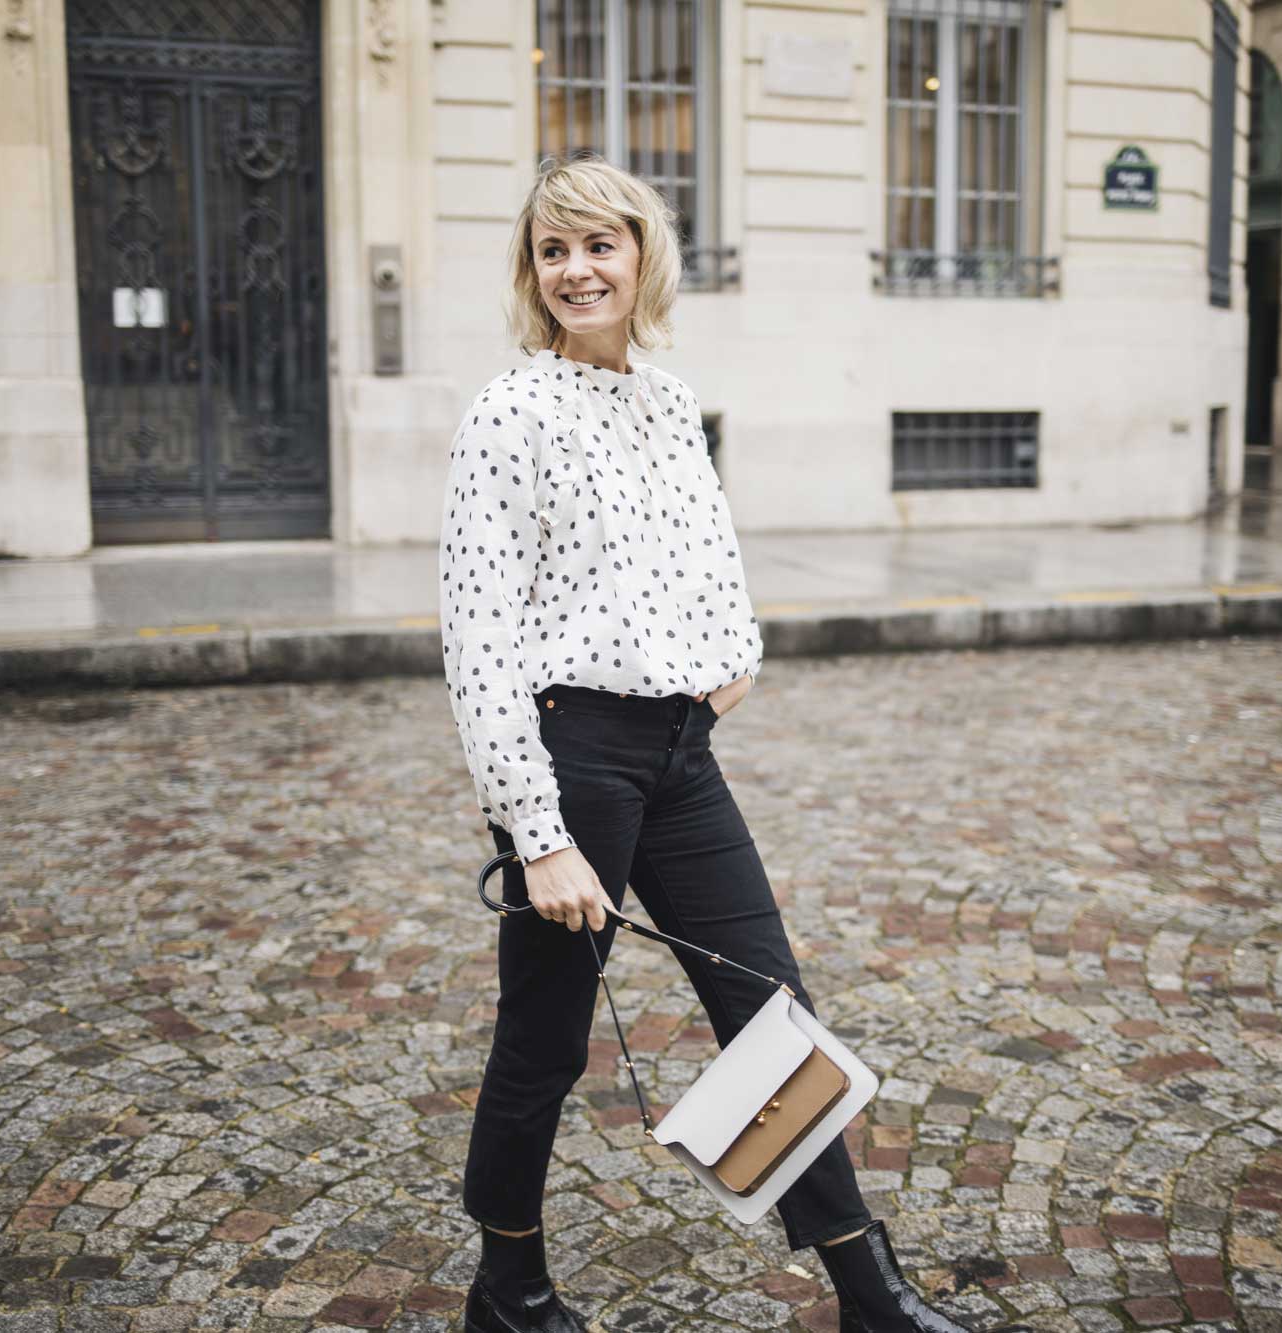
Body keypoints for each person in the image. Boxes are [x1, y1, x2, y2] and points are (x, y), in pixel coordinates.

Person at [438, 155, 1025, 1333]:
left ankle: (867, 1292)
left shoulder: (666, 400)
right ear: (531, 272)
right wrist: (538, 833)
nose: (575, 271)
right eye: (552, 251)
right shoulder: (510, 411)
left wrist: (730, 654)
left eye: (597, 244)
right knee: (544, 1042)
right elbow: (476, 635)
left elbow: (707, 550)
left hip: (679, 754)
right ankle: (507, 1286)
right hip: (570, 755)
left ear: (641, 256)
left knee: (773, 1012)